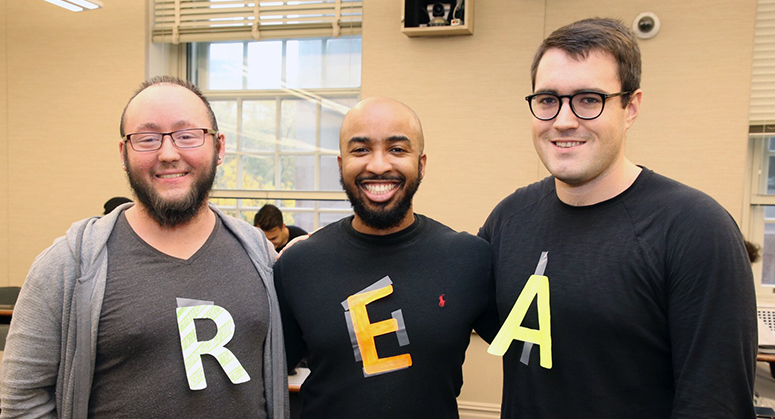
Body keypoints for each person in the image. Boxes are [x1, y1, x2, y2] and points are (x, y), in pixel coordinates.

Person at [480, 18, 757, 418]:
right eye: (547, 99)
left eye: (589, 99)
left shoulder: (695, 229)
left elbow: (715, 403)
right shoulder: (510, 218)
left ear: (631, 107)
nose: (563, 120)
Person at [0, 76, 287, 419]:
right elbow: (23, 401)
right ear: (124, 154)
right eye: (147, 139)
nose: (168, 154)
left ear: (219, 147)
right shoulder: (67, 266)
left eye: (187, 135)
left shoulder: (261, 258)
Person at [273, 97, 497, 418]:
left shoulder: (469, 259)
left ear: (421, 164)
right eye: (361, 150)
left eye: (397, 149)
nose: (378, 165)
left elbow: (533, 359)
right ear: (341, 165)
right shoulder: (298, 265)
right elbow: (265, 375)